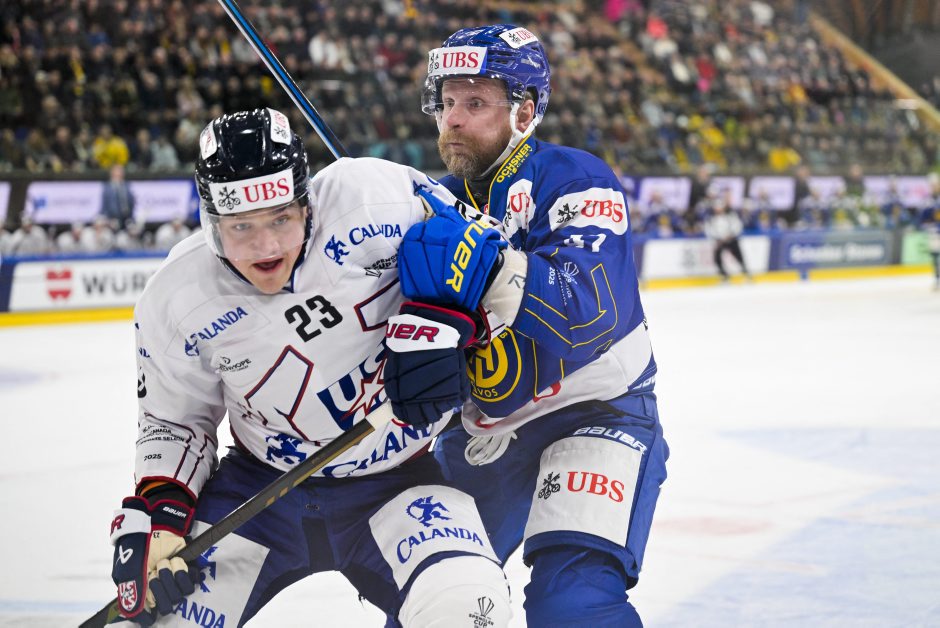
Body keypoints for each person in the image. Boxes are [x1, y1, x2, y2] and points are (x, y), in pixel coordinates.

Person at [107, 108, 511, 627]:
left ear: (306, 201)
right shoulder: (178, 295)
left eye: (281, 218)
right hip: (259, 492)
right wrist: (161, 517)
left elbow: (494, 257)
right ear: (211, 223)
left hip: (398, 480)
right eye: (241, 227)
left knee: (468, 608)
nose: (267, 247)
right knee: (155, 622)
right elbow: (173, 421)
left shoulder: (373, 198)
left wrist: (451, 323)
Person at [389, 24, 669, 627]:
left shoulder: (576, 179)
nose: (452, 119)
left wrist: (490, 263)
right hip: (487, 430)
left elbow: (588, 313)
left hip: (597, 411)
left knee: (572, 606)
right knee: (432, 606)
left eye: (475, 103)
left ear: (524, 111)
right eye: (447, 101)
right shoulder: (432, 202)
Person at [703, 196, 750, 281]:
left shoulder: (730, 216)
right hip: (719, 242)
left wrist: (731, 235)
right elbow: (708, 231)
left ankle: (746, 275)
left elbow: (737, 226)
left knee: (739, 257)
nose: (718, 209)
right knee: (717, 259)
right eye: (716, 207)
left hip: (731, 239)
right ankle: (725, 276)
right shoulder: (711, 218)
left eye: (719, 207)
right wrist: (717, 238)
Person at [101, 163, 136, 230]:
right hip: (112, 219)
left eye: (120, 173)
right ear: (112, 174)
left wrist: (130, 216)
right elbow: (104, 206)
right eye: (117, 173)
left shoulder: (127, 186)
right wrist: (107, 219)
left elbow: (131, 202)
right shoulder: (107, 188)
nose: (119, 175)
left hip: (127, 218)